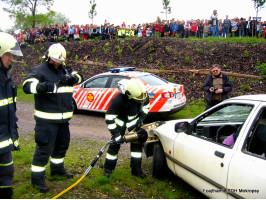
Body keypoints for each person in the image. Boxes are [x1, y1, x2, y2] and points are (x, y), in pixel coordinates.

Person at [22, 43, 83, 193]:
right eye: (55, 60)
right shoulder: (39, 71)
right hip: (46, 121)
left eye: (60, 61)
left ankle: (57, 170)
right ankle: (37, 180)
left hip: (63, 121)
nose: (57, 63)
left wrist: (73, 78)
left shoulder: (65, 69)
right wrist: (45, 86)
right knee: (44, 150)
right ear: (48, 57)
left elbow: (80, 76)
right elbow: (27, 86)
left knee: (62, 146)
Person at [104, 79, 151, 179]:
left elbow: (146, 106)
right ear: (128, 94)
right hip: (119, 123)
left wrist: (142, 117)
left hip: (134, 122)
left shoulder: (142, 94)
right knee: (114, 145)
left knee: (137, 146)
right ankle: (108, 169)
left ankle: (136, 169)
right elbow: (109, 118)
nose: (140, 100)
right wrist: (116, 134)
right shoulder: (118, 100)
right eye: (137, 99)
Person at [0, 32, 23, 198]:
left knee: (7, 168)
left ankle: (5, 192)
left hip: (4, 138)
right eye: (8, 54)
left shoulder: (6, 78)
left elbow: (9, 110)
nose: (11, 59)